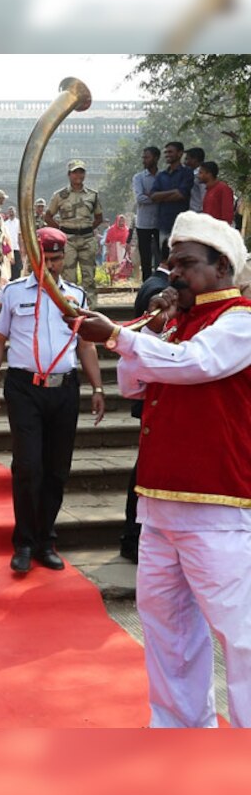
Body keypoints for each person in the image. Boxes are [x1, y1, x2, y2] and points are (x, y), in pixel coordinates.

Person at [74, 212, 251, 728]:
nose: (173, 273)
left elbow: (195, 364)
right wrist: (143, 331)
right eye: (171, 263)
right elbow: (134, 383)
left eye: (187, 264)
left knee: (239, 636)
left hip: (217, 505)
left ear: (222, 267)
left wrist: (121, 337)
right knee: (167, 629)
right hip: (159, 504)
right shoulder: (177, 322)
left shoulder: (239, 319)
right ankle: (178, 734)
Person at [0, 227, 106, 574]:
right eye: (44, 259)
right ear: (33, 257)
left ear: (64, 257)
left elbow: (85, 345)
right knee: (28, 466)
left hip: (64, 389)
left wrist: (97, 388)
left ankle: (45, 540)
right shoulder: (12, 293)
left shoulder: (76, 297)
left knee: (56, 469)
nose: (50, 266)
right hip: (25, 388)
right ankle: (23, 541)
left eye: (56, 258)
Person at [117, 242, 172, 564]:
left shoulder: (157, 284)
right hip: (153, 391)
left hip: (155, 390)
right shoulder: (158, 288)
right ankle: (133, 539)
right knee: (143, 473)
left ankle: (135, 539)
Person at [44, 159, 103, 309]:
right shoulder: (60, 196)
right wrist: (61, 231)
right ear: (69, 175)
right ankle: (69, 308)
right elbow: (48, 216)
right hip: (68, 240)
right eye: (75, 172)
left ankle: (90, 310)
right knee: (68, 277)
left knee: (89, 277)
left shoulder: (93, 195)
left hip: (87, 239)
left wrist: (87, 228)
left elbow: (99, 217)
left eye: (81, 172)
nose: (78, 175)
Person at [149, 141, 194, 241]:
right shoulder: (161, 175)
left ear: (180, 153)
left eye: (170, 152)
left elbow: (181, 195)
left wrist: (161, 197)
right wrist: (173, 192)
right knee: (164, 255)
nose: (167, 155)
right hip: (163, 224)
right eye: (166, 152)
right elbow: (153, 196)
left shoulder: (187, 172)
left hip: (181, 225)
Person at [133, 146, 161, 281]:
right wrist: (160, 196)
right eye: (143, 157)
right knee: (145, 257)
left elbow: (146, 198)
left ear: (156, 158)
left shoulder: (163, 177)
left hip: (160, 222)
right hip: (143, 223)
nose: (144, 160)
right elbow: (139, 198)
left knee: (161, 256)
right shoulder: (138, 177)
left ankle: (160, 284)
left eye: (147, 157)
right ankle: (147, 285)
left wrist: (150, 196)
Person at [184, 147, 206, 213]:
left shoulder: (200, 175)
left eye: (187, 159)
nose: (185, 162)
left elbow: (204, 195)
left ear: (195, 159)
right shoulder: (192, 174)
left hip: (198, 212)